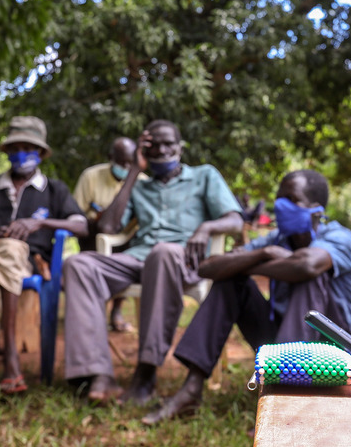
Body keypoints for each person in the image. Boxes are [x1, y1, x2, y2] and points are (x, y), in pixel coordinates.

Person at [141, 169, 351, 424]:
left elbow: (306, 266)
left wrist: (250, 263)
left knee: (308, 277)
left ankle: (282, 401)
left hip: (333, 344)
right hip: (279, 339)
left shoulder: (338, 236)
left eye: (291, 199)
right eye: (279, 198)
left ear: (316, 208)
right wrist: (263, 253)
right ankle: (191, 389)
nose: (280, 206)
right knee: (232, 278)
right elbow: (207, 266)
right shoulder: (276, 239)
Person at [62, 119, 244, 405]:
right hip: (139, 258)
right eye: (152, 145)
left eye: (167, 144)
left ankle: (145, 373)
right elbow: (108, 227)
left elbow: (235, 219)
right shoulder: (139, 187)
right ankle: (98, 374)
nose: (161, 150)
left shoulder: (204, 176)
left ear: (180, 147)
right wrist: (134, 172)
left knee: (163, 252)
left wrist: (205, 229)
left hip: (184, 259)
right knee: (79, 264)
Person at [0, 116, 87, 404]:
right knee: (6, 250)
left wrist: (37, 225)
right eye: (14, 147)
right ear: (6, 152)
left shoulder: (54, 190)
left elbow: (81, 226)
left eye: (27, 147)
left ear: (41, 153)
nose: (20, 153)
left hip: (23, 263)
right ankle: (11, 358)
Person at [71, 136, 145, 333]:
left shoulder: (142, 181)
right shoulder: (91, 176)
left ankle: (117, 309)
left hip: (127, 239)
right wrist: (98, 219)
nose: (127, 166)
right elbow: (76, 213)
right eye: (122, 162)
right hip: (93, 235)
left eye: (131, 162)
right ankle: (94, 311)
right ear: (111, 157)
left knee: (130, 253)